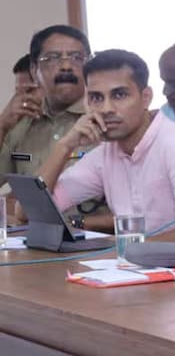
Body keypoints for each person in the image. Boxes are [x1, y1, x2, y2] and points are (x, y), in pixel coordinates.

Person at [36, 49, 175, 245]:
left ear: (146, 97)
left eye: (119, 95)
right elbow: (35, 210)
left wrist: (120, 251)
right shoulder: (106, 152)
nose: (106, 109)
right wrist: (65, 145)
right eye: (96, 98)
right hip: (129, 268)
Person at [0, 25, 108, 226]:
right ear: (34, 69)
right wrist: (2, 126)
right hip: (30, 243)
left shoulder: (106, 119)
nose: (66, 66)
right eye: (53, 58)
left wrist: (77, 223)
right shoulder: (19, 123)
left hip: (97, 244)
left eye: (76, 57)